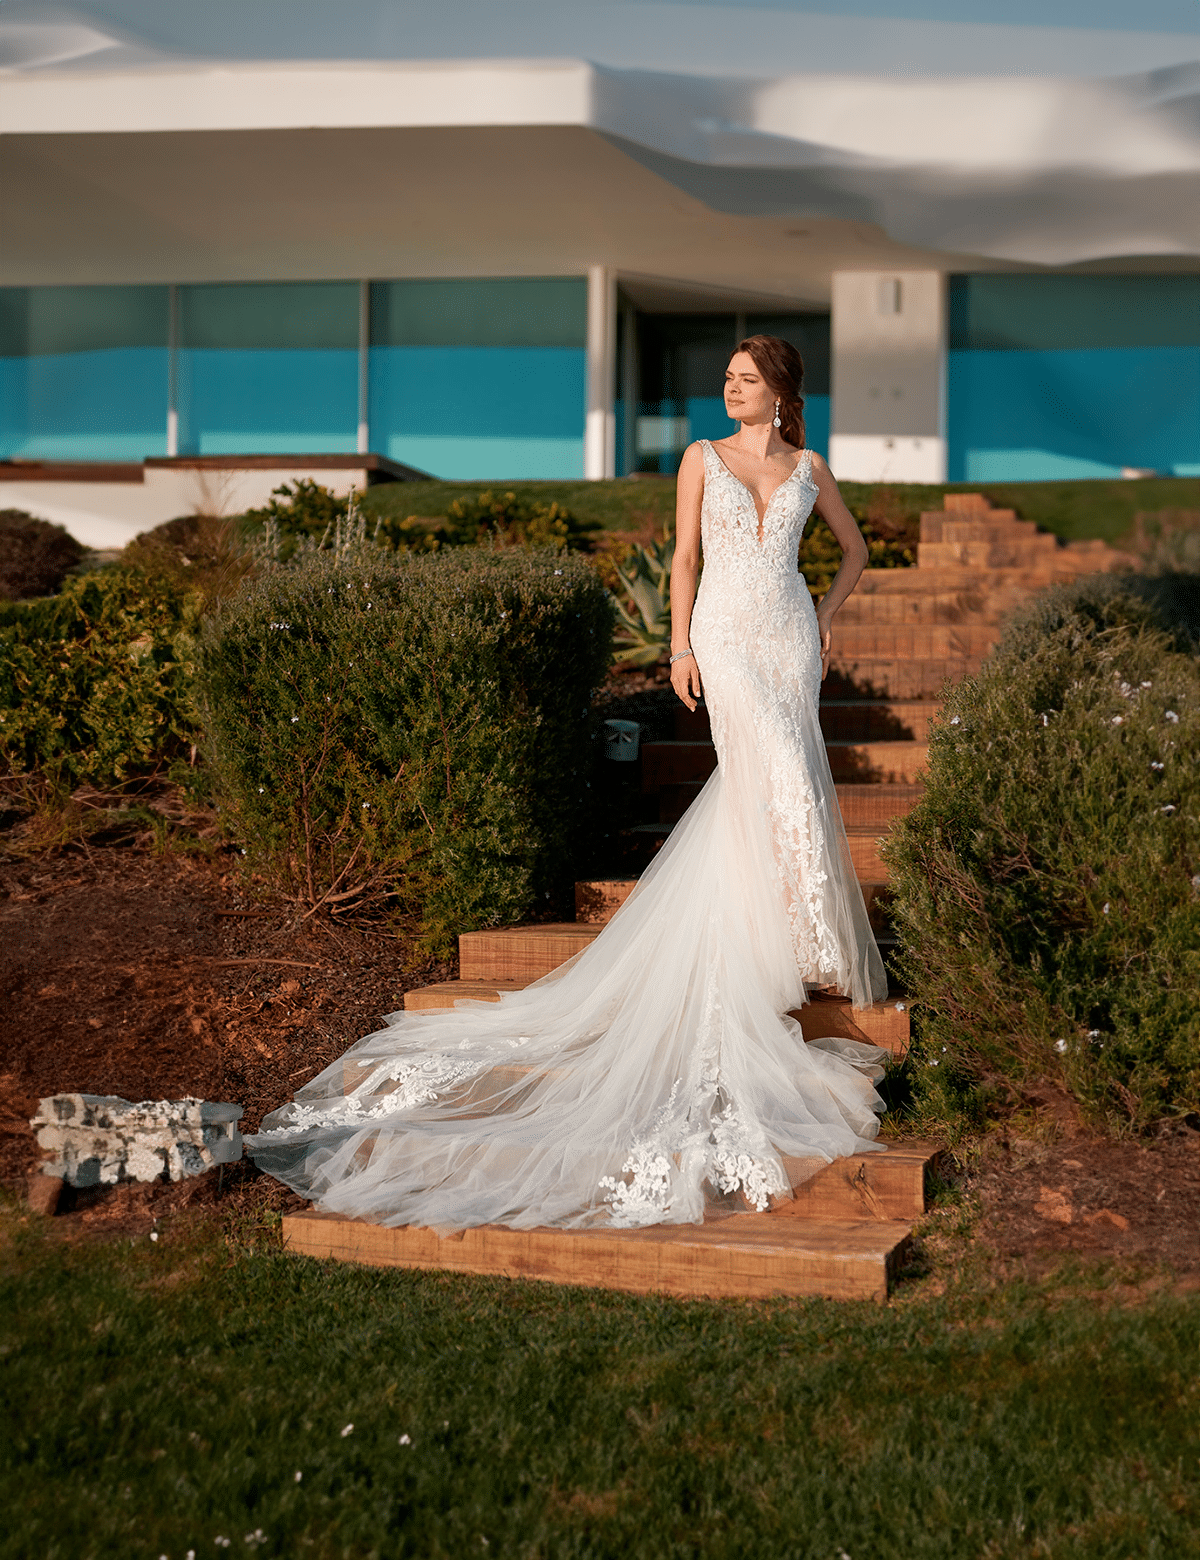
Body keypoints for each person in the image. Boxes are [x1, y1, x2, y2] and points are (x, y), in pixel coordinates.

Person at [248, 335, 889, 1230]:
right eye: (728, 378)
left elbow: (854, 553)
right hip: (727, 640)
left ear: (779, 390)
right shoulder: (702, 460)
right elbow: (684, 562)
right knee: (769, 766)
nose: (728, 390)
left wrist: (822, 618)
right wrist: (677, 646)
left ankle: (799, 941)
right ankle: (775, 942)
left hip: (787, 635)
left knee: (789, 779)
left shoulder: (812, 466)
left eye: (745, 380)